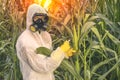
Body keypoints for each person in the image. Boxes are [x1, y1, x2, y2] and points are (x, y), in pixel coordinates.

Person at [16, 4, 74, 80]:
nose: (41, 21)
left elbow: (49, 57)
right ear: (30, 18)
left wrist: (63, 54)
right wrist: (60, 52)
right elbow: (43, 66)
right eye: (37, 18)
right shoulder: (25, 41)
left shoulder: (44, 36)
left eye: (43, 18)